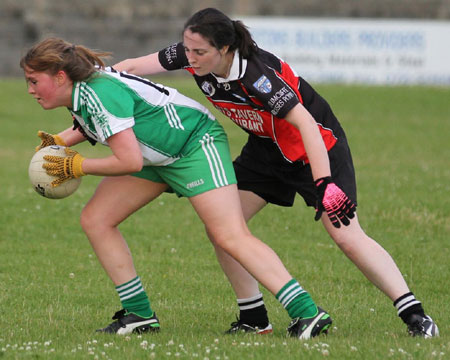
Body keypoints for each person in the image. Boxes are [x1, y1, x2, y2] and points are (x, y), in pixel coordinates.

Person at [113, 7, 439, 338]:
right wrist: (95, 84)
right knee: (223, 229)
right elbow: (130, 69)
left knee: (346, 235)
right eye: (187, 49)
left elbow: (307, 125)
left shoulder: (258, 76)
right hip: (266, 152)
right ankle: (254, 318)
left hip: (316, 150)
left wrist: (324, 182)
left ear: (224, 49)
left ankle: (416, 316)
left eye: (200, 52)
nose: (190, 58)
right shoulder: (191, 55)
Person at [20, 37, 333, 338]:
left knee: (229, 235)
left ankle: (306, 311)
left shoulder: (98, 92)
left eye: (34, 81)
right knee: (96, 219)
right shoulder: (82, 91)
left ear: (60, 77)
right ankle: (139, 315)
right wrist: (59, 142)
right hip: (155, 155)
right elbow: (96, 123)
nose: (30, 89)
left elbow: (128, 160)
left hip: (195, 144)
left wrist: (75, 166)